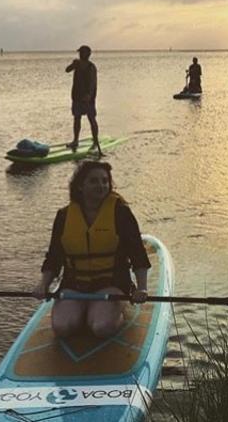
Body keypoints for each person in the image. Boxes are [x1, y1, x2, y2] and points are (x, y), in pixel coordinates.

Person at [33, 161, 151, 338]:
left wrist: (142, 288)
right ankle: (84, 313)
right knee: (63, 328)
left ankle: (114, 312)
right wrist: (43, 284)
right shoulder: (64, 216)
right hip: (74, 285)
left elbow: (138, 255)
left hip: (111, 285)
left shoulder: (121, 213)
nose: (101, 186)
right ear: (80, 186)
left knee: (101, 327)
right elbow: (54, 257)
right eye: (94, 181)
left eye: (105, 181)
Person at [65, 45, 102, 156]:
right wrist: (73, 64)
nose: (80, 54)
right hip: (76, 96)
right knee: (77, 118)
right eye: (80, 52)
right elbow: (67, 70)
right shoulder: (77, 64)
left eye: (82, 52)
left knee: (91, 118)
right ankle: (75, 140)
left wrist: (89, 95)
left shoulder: (91, 67)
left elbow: (93, 83)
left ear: (88, 54)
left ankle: (95, 140)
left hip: (88, 99)